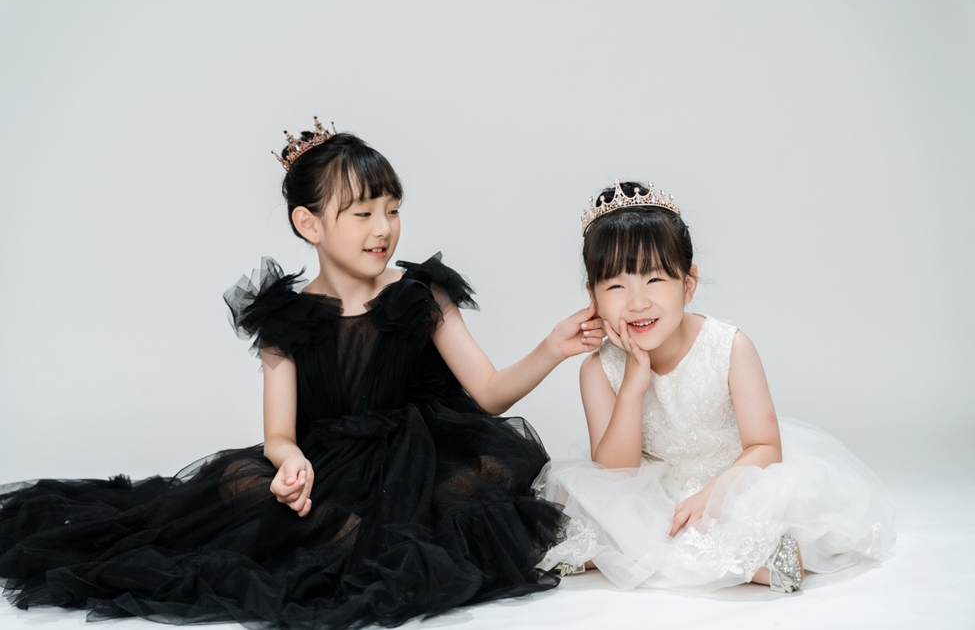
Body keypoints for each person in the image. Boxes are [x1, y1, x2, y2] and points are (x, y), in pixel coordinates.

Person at [0, 118, 603, 628]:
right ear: (309, 224)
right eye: (362, 213)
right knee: (243, 492)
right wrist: (289, 462)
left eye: (392, 210)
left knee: (471, 493)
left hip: (415, 457)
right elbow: (279, 434)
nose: (383, 228)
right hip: (327, 462)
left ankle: (367, 532)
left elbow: (490, 394)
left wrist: (551, 348)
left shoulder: (422, 294)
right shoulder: (286, 319)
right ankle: (336, 528)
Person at [536, 180, 895, 593]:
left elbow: (765, 447)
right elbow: (615, 478)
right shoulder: (598, 370)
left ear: (688, 284)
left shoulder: (729, 347)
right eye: (616, 286)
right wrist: (633, 386)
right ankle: (706, 554)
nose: (637, 302)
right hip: (650, 492)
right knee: (591, 523)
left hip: (732, 478)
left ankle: (762, 551)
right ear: (594, 296)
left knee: (739, 521)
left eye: (654, 280)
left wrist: (713, 496)